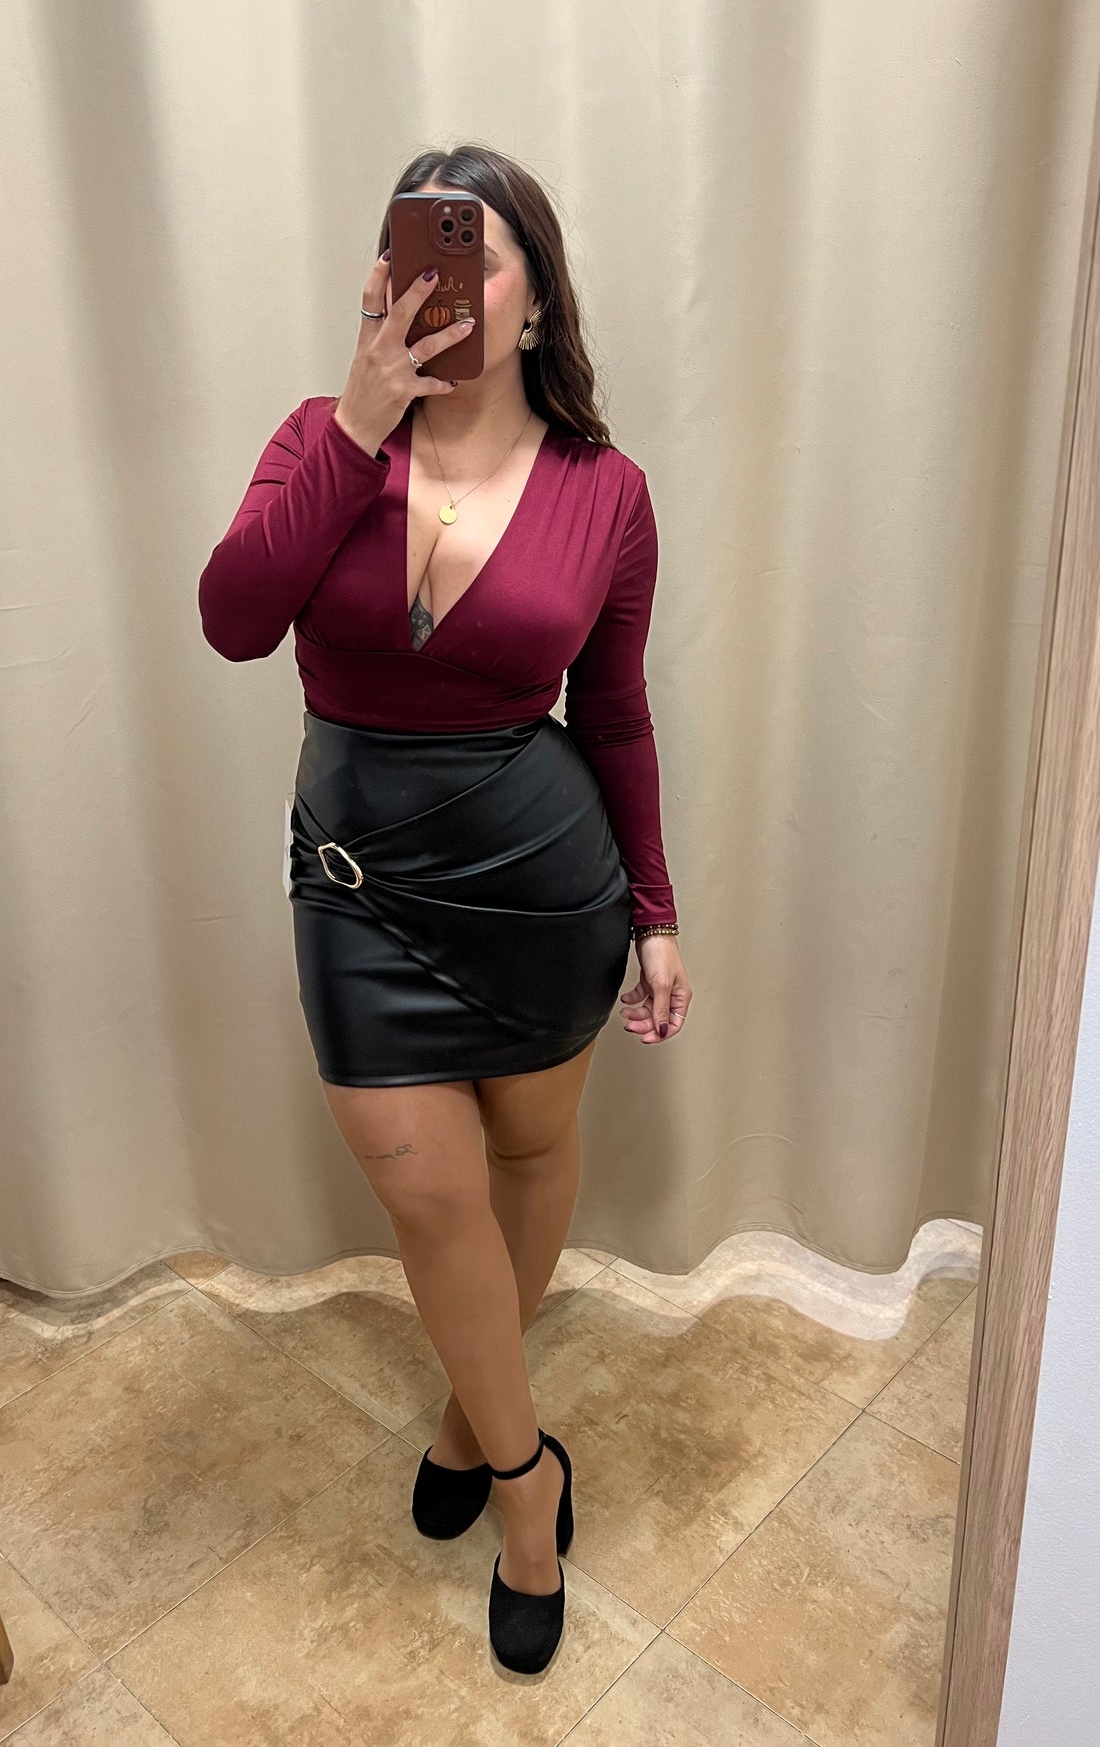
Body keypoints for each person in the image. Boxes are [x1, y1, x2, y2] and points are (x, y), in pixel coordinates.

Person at [197, 143, 693, 1674]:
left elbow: (614, 713)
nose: (447, 283)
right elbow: (232, 620)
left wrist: (656, 909)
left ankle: (471, 1418)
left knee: (528, 1162)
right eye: (421, 249)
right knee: (428, 1198)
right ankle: (529, 1476)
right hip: (357, 891)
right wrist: (358, 426)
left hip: (545, 892)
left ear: (537, 301)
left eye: (480, 256)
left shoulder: (608, 493)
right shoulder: (320, 441)